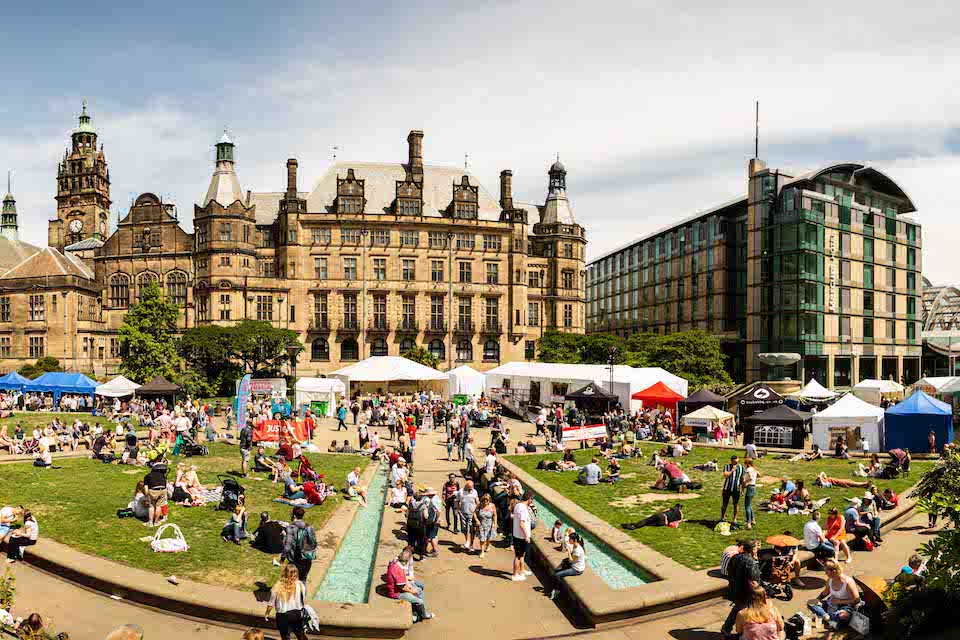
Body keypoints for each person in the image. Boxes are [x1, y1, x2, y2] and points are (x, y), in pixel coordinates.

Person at [720, 539, 761, 637]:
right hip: (746, 591)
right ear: (752, 550)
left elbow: (730, 571)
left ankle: (728, 628)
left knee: (738, 608)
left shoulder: (735, 557)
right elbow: (754, 580)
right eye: (756, 548)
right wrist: (759, 591)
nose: (757, 549)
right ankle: (740, 630)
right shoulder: (750, 562)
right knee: (746, 609)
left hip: (735, 588)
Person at [385, 546, 434, 623]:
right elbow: (402, 587)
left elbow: (404, 579)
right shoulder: (398, 569)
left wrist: (411, 587)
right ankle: (424, 615)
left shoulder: (397, 564)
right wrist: (412, 591)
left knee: (419, 590)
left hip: (399, 589)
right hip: (396, 594)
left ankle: (416, 612)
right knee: (420, 601)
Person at [807, 560, 861, 630]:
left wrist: (839, 601)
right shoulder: (830, 580)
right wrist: (817, 600)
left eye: (827, 571)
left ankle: (825, 616)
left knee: (843, 615)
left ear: (833, 571)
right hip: (832, 605)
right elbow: (825, 592)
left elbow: (856, 600)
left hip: (846, 607)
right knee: (811, 603)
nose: (825, 573)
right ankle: (829, 619)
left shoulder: (848, 582)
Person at [264, 563, 308, 640]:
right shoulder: (300, 585)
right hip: (297, 614)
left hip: (283, 615)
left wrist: (267, 613)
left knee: (285, 636)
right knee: (300, 633)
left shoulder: (277, 587)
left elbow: (271, 603)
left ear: (284, 573)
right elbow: (303, 598)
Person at [548, 532, 585, 600]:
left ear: (575, 540)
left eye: (570, 539)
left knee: (558, 575)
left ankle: (557, 590)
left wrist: (568, 551)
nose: (569, 540)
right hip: (573, 564)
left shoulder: (578, 550)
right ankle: (554, 586)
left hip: (576, 569)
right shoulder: (575, 545)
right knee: (559, 568)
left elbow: (571, 560)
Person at [284, 506, 316, 582]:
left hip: (296, 558)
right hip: (307, 557)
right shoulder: (309, 527)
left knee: (291, 582)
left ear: (294, 516)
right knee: (303, 580)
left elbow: (287, 547)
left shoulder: (291, 528)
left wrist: (282, 558)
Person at [511, 492, 534, 582]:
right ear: (529, 499)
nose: (532, 501)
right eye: (532, 499)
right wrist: (527, 536)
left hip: (517, 535)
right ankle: (515, 575)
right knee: (518, 556)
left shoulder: (518, 505)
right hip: (521, 537)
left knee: (521, 555)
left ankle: (522, 570)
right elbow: (522, 524)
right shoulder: (523, 509)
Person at [721, 455, 745, 525]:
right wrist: (732, 470)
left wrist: (742, 489)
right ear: (731, 461)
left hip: (736, 489)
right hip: (727, 488)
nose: (736, 463)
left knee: (736, 504)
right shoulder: (727, 466)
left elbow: (742, 479)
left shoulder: (741, 468)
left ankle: (735, 519)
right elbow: (726, 475)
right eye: (735, 462)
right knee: (725, 503)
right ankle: (722, 516)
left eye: (737, 462)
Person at [457, 480, 480, 551]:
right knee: (464, 528)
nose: (470, 490)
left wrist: (477, 511)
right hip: (463, 513)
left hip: (472, 513)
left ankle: (471, 544)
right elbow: (457, 501)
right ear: (466, 486)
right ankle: (467, 540)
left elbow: (477, 502)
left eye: (471, 488)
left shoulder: (475, 492)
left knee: (472, 529)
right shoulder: (460, 492)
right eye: (469, 488)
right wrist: (458, 509)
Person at [474, 493, 498, 559]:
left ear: (489, 500)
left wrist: (495, 523)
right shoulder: (479, 505)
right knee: (482, 539)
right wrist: (477, 520)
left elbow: (495, 515)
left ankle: (487, 545)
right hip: (482, 524)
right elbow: (474, 513)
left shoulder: (492, 506)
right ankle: (482, 552)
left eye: (487, 500)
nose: (485, 501)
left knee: (489, 538)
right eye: (484, 500)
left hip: (490, 525)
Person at [743, 458, 758, 530]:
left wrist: (746, 481)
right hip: (753, 487)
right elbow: (758, 475)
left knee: (747, 506)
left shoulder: (749, 469)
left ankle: (748, 523)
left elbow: (750, 478)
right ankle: (753, 519)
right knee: (749, 504)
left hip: (750, 487)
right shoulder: (754, 469)